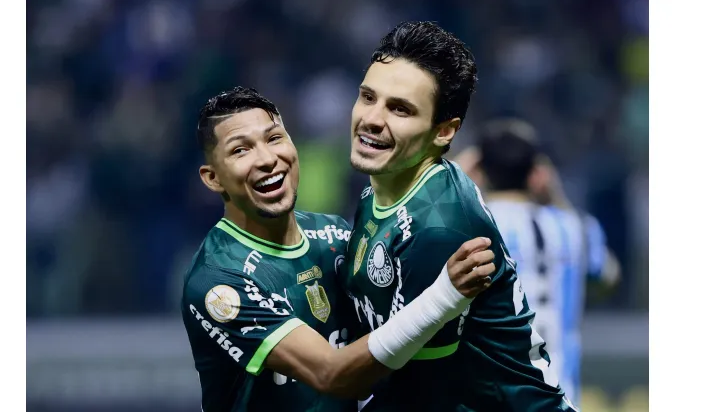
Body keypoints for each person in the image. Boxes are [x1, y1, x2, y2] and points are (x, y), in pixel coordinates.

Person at [180, 86, 494, 412]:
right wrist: (444, 295)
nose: (267, 158)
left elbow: (388, 342)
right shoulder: (219, 280)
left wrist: (446, 197)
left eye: (274, 139)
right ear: (213, 178)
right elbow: (333, 373)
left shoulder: (335, 234)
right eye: (241, 150)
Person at [340, 21, 577, 411]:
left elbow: (414, 386)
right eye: (368, 97)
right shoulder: (382, 191)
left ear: (444, 132)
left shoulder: (439, 228)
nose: (372, 118)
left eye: (400, 109)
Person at [454, 118, 620, 405]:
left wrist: (454, 176)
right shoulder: (576, 227)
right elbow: (609, 278)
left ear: (479, 170)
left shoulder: (468, 225)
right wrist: (557, 196)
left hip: (492, 397)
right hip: (562, 396)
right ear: (536, 173)